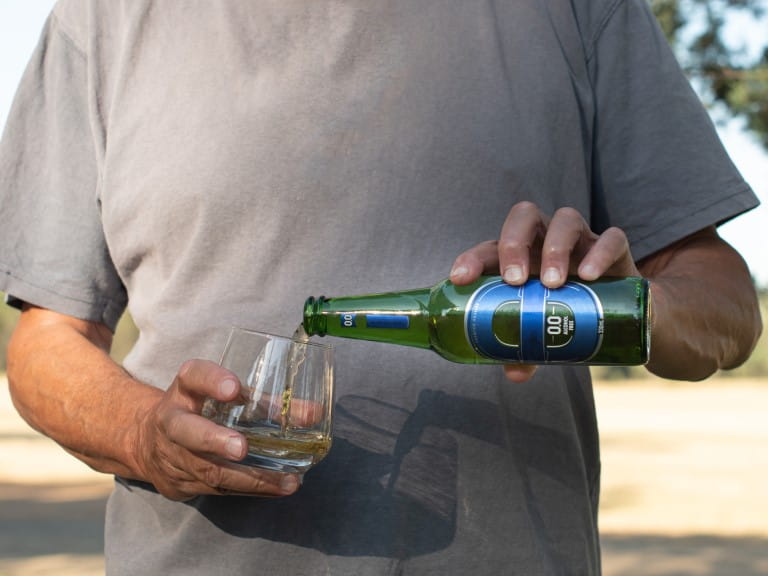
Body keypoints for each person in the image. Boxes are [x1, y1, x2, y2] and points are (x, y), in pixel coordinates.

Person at [0, 0, 761, 574]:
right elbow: (47, 340)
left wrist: (624, 305)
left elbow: (725, 305)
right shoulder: (104, 18)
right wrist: (144, 434)